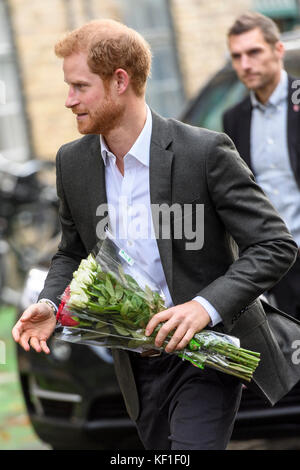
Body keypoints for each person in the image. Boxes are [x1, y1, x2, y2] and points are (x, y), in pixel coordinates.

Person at [12, 19, 299, 450]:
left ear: (119, 81)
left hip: (206, 357)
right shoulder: (72, 162)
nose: (69, 100)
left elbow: (274, 245)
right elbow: (71, 253)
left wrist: (204, 307)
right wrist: (52, 303)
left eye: (79, 86)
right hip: (135, 367)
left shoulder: (204, 152)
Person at [223, 11, 300, 319]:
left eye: (254, 52)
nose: (245, 64)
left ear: (277, 50)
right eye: (237, 56)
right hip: (275, 262)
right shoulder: (234, 118)